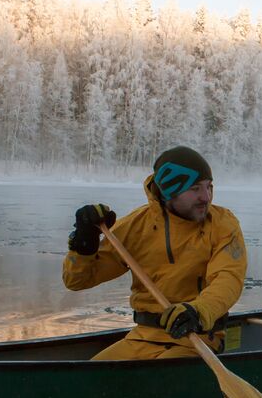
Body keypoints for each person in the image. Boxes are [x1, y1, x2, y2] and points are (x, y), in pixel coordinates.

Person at [63, 145, 247, 361]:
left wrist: (198, 312)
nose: (206, 197)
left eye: (209, 187)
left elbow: (228, 280)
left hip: (199, 337)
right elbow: (77, 281)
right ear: (170, 190)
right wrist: (85, 245)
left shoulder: (222, 224)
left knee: (157, 380)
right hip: (143, 338)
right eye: (195, 188)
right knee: (92, 378)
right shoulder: (136, 226)